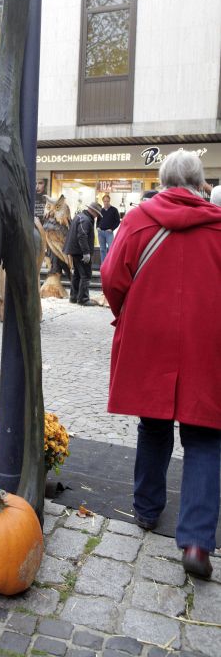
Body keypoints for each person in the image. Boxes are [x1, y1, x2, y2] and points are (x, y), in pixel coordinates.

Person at [101, 150, 221, 580]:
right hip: (207, 340)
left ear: (162, 181)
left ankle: (147, 510)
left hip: (149, 335)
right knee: (205, 437)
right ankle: (197, 543)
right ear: (201, 184)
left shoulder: (138, 220)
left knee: (153, 425)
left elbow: (111, 276)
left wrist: (128, 313)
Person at [63, 201, 103, 307]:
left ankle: (74, 297)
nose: (97, 216)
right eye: (97, 214)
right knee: (86, 275)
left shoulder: (80, 216)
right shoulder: (85, 219)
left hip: (75, 250)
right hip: (80, 251)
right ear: (93, 211)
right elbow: (82, 236)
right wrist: (86, 253)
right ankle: (83, 299)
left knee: (77, 274)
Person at [96, 194, 120, 263]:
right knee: (102, 250)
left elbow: (117, 221)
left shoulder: (114, 210)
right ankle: (103, 264)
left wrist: (112, 229)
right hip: (101, 233)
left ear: (109, 201)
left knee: (111, 249)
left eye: (107, 201)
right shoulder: (101, 210)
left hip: (109, 233)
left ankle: (110, 264)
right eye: (105, 201)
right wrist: (97, 227)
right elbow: (98, 221)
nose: (106, 203)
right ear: (103, 201)